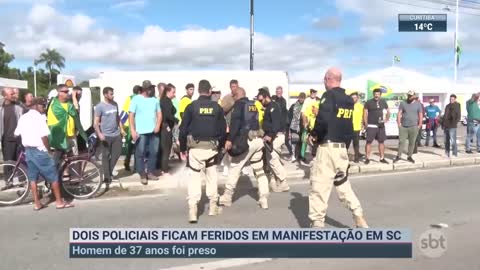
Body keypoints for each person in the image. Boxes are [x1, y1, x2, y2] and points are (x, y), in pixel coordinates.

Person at [308, 67, 368, 228]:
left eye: (324, 79)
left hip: (327, 147)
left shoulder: (329, 95)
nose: (323, 82)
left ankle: (317, 224)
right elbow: (349, 128)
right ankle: (358, 215)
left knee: (319, 186)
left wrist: (314, 135)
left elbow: (323, 120)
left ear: (328, 79)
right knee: (342, 184)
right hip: (342, 148)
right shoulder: (349, 100)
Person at [179, 79, 226, 223]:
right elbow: (223, 130)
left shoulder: (191, 106)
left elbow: (183, 130)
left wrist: (182, 149)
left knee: (194, 179)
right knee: (212, 177)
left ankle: (193, 211)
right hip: (211, 149)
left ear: (198, 91)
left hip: (195, 149)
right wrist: (220, 146)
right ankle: (213, 207)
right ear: (210, 91)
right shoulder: (217, 107)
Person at [14, 97, 74, 210]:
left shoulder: (23, 117)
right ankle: (59, 202)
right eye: (42, 105)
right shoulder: (39, 118)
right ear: (36, 106)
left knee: (33, 178)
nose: (44, 108)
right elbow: (44, 137)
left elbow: (16, 133)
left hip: (29, 151)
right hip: (40, 151)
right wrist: (49, 151)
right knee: (53, 176)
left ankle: (37, 203)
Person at [219, 88, 269, 208]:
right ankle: (264, 198)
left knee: (235, 168)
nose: (233, 99)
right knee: (259, 170)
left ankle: (227, 196)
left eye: (233, 96)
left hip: (247, 142)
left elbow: (235, 125)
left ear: (236, 96)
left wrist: (230, 140)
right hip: (258, 140)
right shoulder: (253, 104)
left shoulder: (239, 106)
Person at [129, 80, 162, 184]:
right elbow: (131, 115)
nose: (152, 90)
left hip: (153, 131)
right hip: (141, 132)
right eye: (150, 88)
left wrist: (157, 125)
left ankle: (151, 172)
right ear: (145, 89)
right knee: (140, 153)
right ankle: (142, 173)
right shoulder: (136, 99)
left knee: (154, 152)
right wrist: (133, 130)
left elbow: (159, 114)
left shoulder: (154, 100)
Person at [47, 84, 87, 165]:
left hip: (72, 135)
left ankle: (77, 175)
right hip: (60, 136)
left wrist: (75, 97)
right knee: (60, 159)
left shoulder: (70, 104)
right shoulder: (54, 104)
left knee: (75, 157)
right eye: (65, 92)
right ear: (59, 92)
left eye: (68, 91)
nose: (67, 93)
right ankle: (62, 175)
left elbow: (77, 116)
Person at [258, 88, 289, 193]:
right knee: (272, 160)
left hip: (276, 137)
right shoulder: (268, 107)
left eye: (261, 100)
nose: (260, 102)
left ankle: (283, 182)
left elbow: (275, 124)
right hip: (272, 137)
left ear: (267, 97)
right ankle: (276, 182)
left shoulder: (273, 107)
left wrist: (270, 136)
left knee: (273, 160)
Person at [94, 87, 125, 184]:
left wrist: (122, 129)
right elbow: (95, 122)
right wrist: (99, 134)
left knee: (117, 153)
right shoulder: (100, 106)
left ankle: (109, 171)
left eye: (113, 93)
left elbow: (118, 118)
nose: (113, 95)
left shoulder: (115, 104)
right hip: (105, 135)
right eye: (111, 94)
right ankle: (107, 177)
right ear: (105, 94)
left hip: (116, 134)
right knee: (105, 156)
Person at [393, 90, 423, 164]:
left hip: (414, 126)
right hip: (403, 126)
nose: (410, 97)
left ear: (414, 96)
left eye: (411, 95)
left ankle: (409, 156)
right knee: (401, 142)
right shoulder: (403, 103)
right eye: (409, 95)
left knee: (412, 142)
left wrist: (419, 124)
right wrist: (399, 123)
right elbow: (399, 113)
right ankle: (398, 156)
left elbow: (420, 114)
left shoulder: (418, 104)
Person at [364, 88, 390, 164]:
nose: (376, 95)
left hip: (381, 126)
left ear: (380, 95)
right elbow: (365, 113)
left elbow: (388, 111)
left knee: (381, 142)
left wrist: (387, 119)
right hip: (371, 125)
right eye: (375, 94)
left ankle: (382, 158)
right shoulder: (368, 102)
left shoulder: (383, 102)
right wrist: (365, 123)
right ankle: (367, 158)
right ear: (373, 94)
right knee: (368, 142)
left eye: (378, 94)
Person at [219, 80, 239, 176]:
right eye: (232, 86)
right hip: (229, 125)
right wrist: (231, 104)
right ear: (230, 87)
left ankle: (240, 167)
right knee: (227, 147)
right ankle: (226, 167)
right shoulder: (227, 98)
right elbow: (222, 110)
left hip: (239, 126)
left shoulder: (240, 96)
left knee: (239, 146)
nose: (234, 88)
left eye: (236, 86)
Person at [0, 87, 24, 164]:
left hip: (19, 140)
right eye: (12, 94)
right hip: (7, 142)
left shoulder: (19, 107)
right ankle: (9, 176)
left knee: (19, 165)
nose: (14, 95)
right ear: (5, 96)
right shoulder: (1, 109)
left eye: (14, 93)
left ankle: (18, 176)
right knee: (8, 165)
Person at [158, 83, 178, 175]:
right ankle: (164, 169)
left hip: (165, 126)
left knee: (166, 148)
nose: (174, 94)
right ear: (168, 92)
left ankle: (164, 167)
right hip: (166, 127)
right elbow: (168, 115)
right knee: (166, 148)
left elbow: (173, 111)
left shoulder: (165, 100)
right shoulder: (166, 101)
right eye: (173, 92)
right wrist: (176, 119)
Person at [120, 85, 140, 172]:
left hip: (129, 126)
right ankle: (136, 166)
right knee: (138, 147)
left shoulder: (129, 98)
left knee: (130, 146)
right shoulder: (140, 98)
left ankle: (127, 163)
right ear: (139, 91)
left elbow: (124, 112)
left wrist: (122, 126)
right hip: (138, 126)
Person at [300, 89, 318, 164]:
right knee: (304, 140)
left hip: (315, 124)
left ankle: (314, 156)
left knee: (315, 140)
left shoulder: (318, 100)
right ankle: (302, 156)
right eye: (312, 92)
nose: (313, 93)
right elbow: (302, 112)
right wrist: (305, 122)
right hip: (307, 122)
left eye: (314, 92)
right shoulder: (307, 100)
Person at [287, 93, 305, 162]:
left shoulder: (305, 106)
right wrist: (288, 128)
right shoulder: (293, 106)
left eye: (303, 98)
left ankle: (300, 156)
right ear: (298, 98)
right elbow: (289, 116)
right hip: (294, 126)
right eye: (300, 97)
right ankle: (293, 155)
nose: (302, 99)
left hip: (303, 127)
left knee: (301, 142)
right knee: (294, 142)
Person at [347, 92, 364, 163]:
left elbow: (363, 116)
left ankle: (356, 157)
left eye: (355, 97)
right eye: (352, 98)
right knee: (346, 143)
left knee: (356, 143)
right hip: (347, 128)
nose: (354, 99)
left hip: (356, 128)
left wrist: (363, 125)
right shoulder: (347, 106)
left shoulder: (361, 106)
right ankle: (344, 157)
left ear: (357, 98)